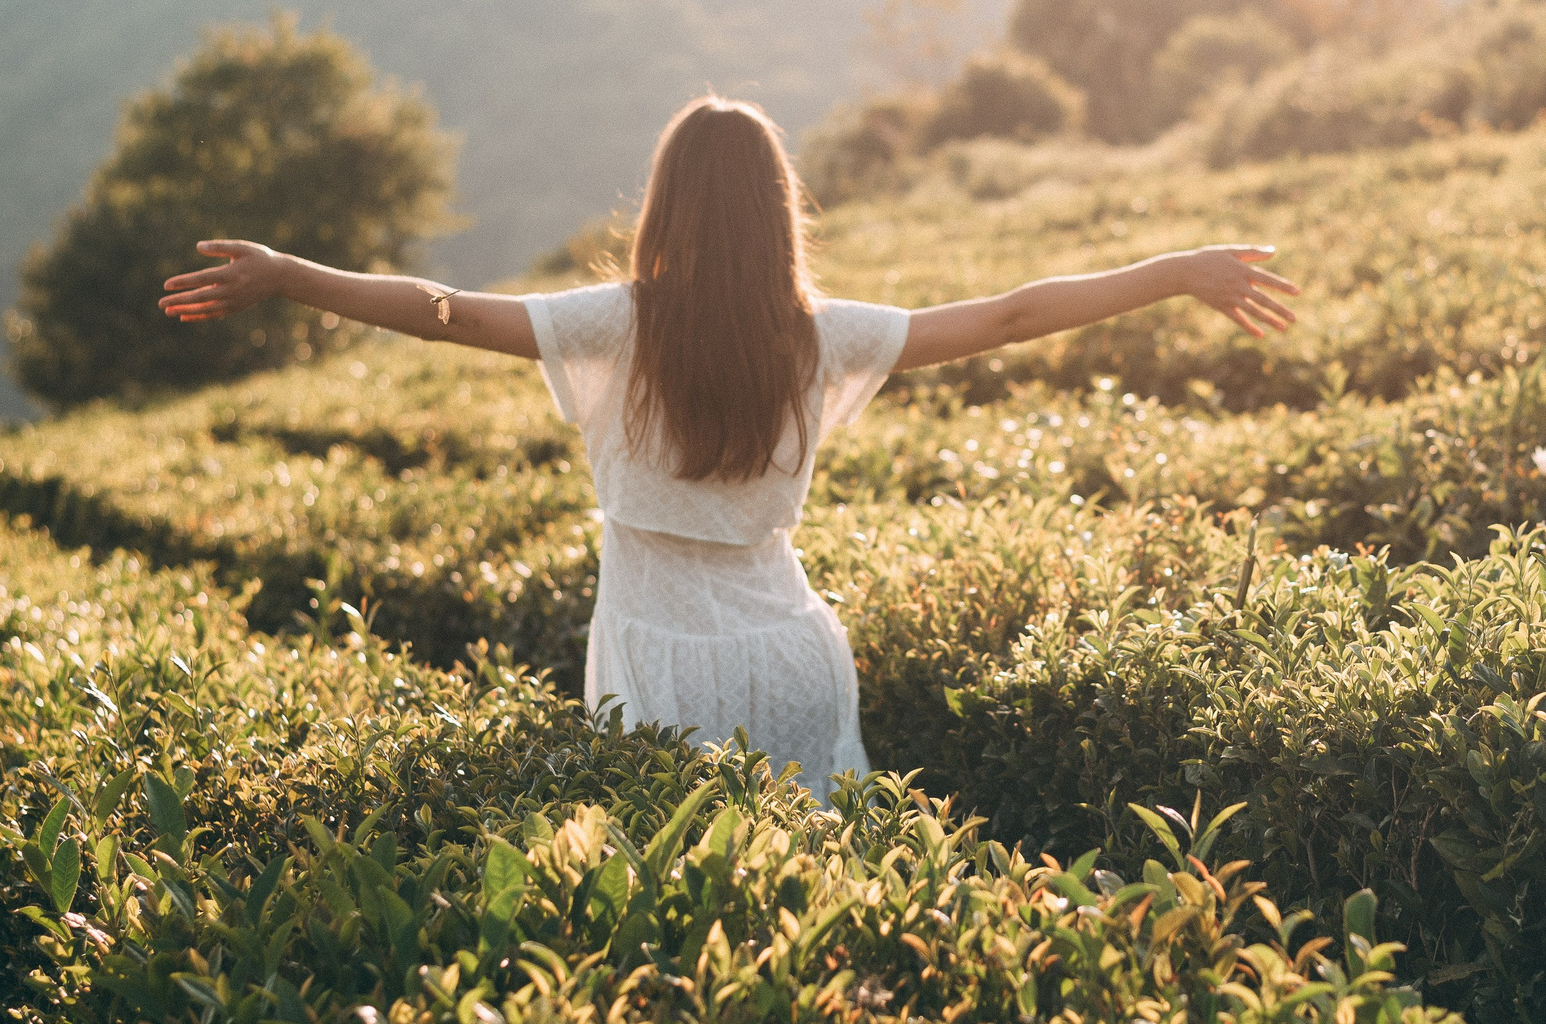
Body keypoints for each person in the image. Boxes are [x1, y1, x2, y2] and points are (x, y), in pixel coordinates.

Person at [159, 95, 1296, 796]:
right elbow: (1006, 314)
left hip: (661, 661)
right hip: (795, 653)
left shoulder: (617, 323)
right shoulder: (817, 336)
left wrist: (290, 273)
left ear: (665, 206)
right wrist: (1173, 272)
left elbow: (444, 305)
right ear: (775, 209)